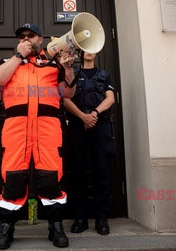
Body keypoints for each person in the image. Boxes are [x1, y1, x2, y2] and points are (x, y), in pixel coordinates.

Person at [0, 23, 76, 249]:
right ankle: (7, 227)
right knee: (14, 177)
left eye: (31, 35)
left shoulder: (53, 65)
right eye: (22, 36)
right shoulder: (9, 63)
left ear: (40, 38)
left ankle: (55, 227)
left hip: (47, 128)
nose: (26, 39)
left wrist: (68, 69)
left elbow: (67, 93)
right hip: (16, 129)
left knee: (50, 177)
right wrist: (19, 55)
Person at [63, 51, 115, 236]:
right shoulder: (72, 73)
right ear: (80, 52)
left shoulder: (104, 74)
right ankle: (80, 218)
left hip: (99, 126)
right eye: (86, 47)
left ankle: (101, 218)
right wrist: (83, 116)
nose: (90, 51)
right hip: (77, 126)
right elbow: (65, 98)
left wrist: (94, 113)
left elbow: (110, 98)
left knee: (102, 173)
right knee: (77, 174)